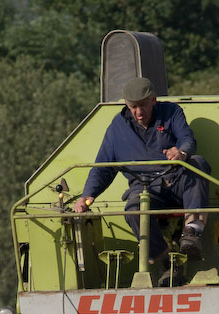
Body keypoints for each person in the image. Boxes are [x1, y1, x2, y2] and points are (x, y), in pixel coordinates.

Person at [73, 77, 210, 286]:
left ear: (153, 100)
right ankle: (167, 264)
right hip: (145, 187)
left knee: (198, 164)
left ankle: (192, 233)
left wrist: (181, 152)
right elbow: (103, 167)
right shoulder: (117, 128)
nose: (139, 112)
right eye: (133, 107)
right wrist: (87, 195)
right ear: (127, 105)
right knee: (134, 209)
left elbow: (187, 139)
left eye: (143, 105)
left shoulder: (172, 113)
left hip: (177, 180)